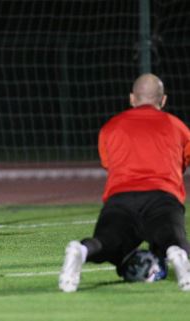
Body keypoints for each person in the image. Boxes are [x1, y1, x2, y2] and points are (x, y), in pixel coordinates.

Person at [59, 73, 190, 292]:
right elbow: (183, 162)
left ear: (132, 98)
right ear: (163, 100)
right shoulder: (177, 127)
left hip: (120, 199)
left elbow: (109, 163)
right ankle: (178, 255)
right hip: (162, 196)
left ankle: (81, 251)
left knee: (106, 244)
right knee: (172, 237)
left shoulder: (111, 127)